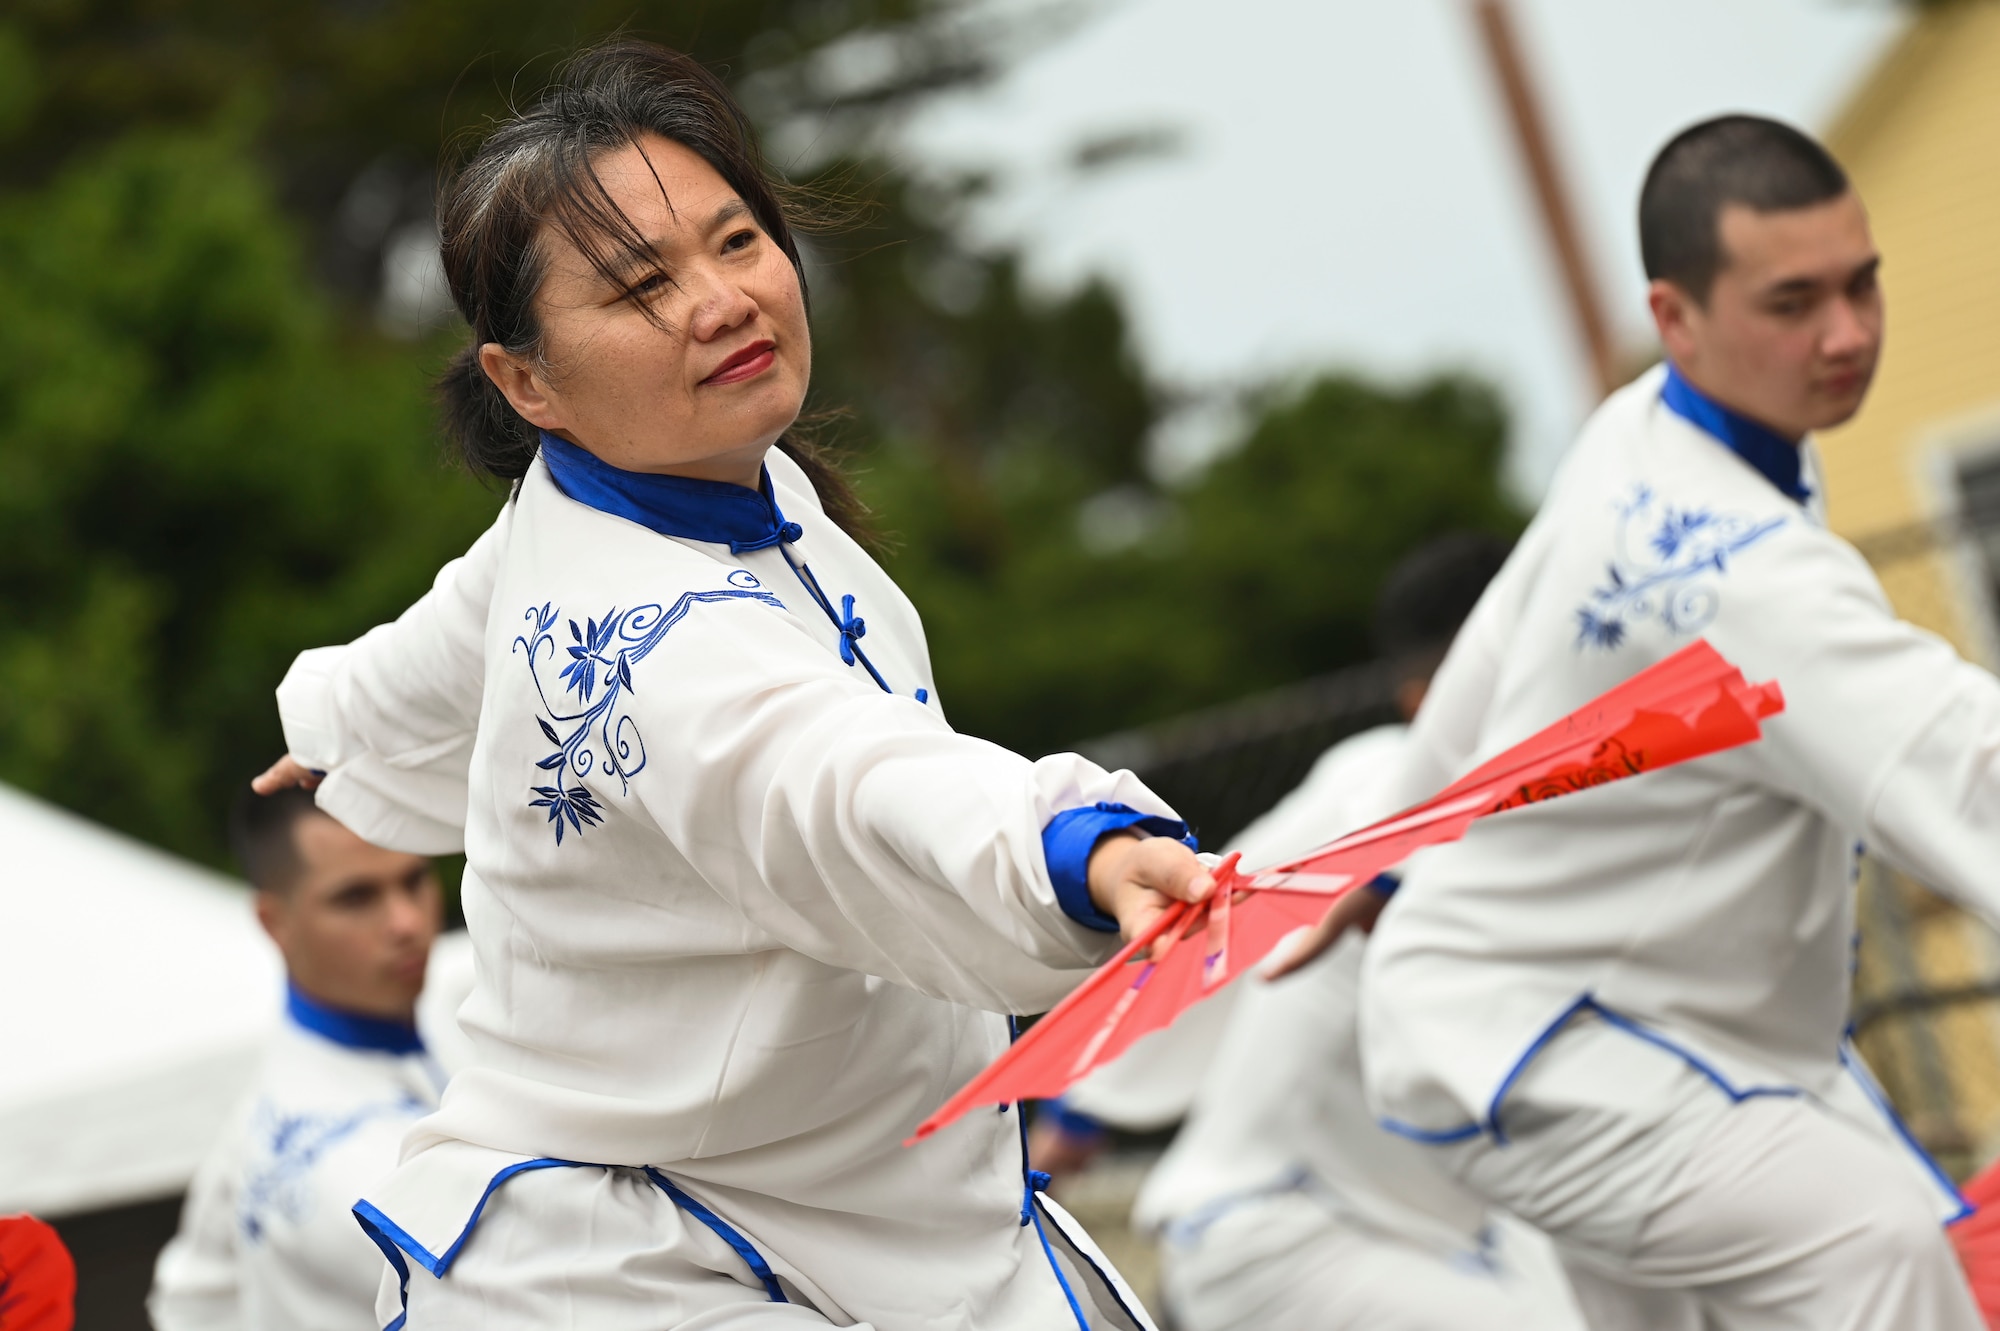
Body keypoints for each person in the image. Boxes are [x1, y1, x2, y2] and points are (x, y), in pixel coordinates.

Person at [252, 40, 1210, 1331]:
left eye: (738, 240)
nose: (722, 299)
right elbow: (838, 781)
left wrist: (328, 731)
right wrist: (1068, 843)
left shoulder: (659, 496)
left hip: (827, 1192)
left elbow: (433, 650)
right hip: (611, 1261)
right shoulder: (642, 630)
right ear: (524, 380)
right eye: (643, 284)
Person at [1278, 114, 2000, 1329]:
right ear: (1676, 316)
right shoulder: (1735, 571)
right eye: (1791, 303)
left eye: (1859, 282)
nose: (1846, 334)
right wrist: (1387, 855)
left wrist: (1393, 850)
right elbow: (1957, 762)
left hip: (1608, 1021)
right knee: (1873, 1248)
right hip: (1552, 1043)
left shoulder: (1639, 431)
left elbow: (1489, 660)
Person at [1049, 536, 1586, 1331]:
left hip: (1429, 1237)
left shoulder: (1564, 817)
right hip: (1279, 1230)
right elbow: (1215, 921)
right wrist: (1072, 1130)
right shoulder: (1381, 784)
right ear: (1424, 701)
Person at [149, 786, 451, 1331]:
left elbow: (190, 1297)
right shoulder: (339, 1165)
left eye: (414, 879)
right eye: (357, 897)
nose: (407, 921)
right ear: (274, 921)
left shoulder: (466, 1006)